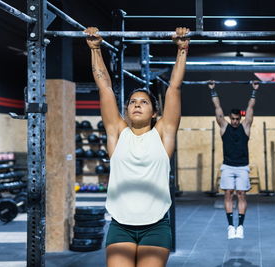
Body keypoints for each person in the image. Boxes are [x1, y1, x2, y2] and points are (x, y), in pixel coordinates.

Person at [85, 27, 189, 267]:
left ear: (154, 113)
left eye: (144, 102)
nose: (137, 105)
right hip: (120, 225)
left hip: (156, 226)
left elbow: (174, 88)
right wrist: (95, 49)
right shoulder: (118, 134)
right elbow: (105, 88)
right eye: (132, 102)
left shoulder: (163, 135)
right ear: (126, 110)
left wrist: (182, 48)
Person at [208, 80, 259, 239]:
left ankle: (241, 227)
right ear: (230, 118)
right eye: (233, 119)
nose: (235, 121)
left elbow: (250, 108)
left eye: (238, 119)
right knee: (228, 193)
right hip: (228, 167)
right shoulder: (224, 127)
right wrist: (213, 90)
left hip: (243, 167)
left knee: (241, 194)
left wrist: (254, 91)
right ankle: (231, 226)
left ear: (240, 118)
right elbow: (218, 109)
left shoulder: (245, 127)